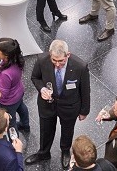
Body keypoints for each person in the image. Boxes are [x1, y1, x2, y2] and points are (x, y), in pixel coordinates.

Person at [25, 40, 90, 169]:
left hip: (69, 106)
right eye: (54, 60)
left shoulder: (80, 67)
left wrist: (84, 111)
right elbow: (35, 78)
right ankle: (43, 152)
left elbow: (85, 90)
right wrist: (42, 89)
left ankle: (65, 151)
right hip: (47, 104)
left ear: (68, 55)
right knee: (45, 129)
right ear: (50, 55)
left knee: (67, 130)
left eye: (61, 61)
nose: (58, 64)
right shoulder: (41, 60)